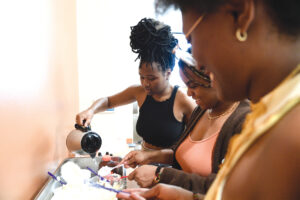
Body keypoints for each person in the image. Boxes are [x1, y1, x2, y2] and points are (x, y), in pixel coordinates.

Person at [117, 0, 300, 199]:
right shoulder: (270, 110)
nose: (195, 56)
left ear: (240, 14)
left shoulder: (291, 132)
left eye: (192, 39)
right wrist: (182, 196)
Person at [119, 50, 250, 192]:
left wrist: (161, 174)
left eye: (193, 86)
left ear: (217, 80)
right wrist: (147, 156)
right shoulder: (202, 110)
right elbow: (179, 154)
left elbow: (226, 188)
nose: (188, 93)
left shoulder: (243, 122)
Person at [76, 18, 196, 150]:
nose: (145, 83)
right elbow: (108, 101)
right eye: (142, 77)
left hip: (170, 167)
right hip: (142, 161)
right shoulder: (139, 92)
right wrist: (90, 110)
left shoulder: (183, 100)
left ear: (168, 73)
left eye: (151, 78)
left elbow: (195, 141)